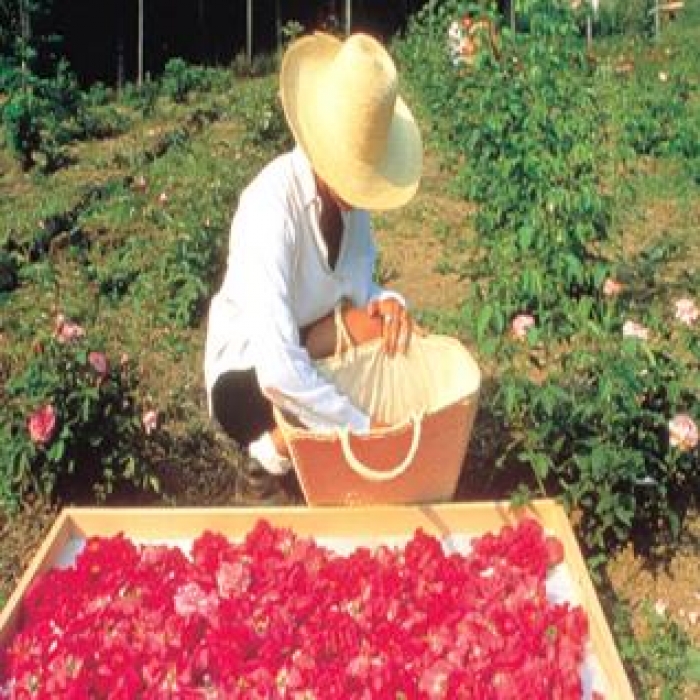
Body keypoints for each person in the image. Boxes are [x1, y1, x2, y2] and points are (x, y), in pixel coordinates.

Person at [203, 32, 423, 488]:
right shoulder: (270, 206)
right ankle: (270, 454)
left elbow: (359, 287)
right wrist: (365, 429)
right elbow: (277, 367)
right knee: (286, 392)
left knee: (385, 332)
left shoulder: (351, 207)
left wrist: (387, 303)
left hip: (313, 341)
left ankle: (312, 438)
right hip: (251, 370)